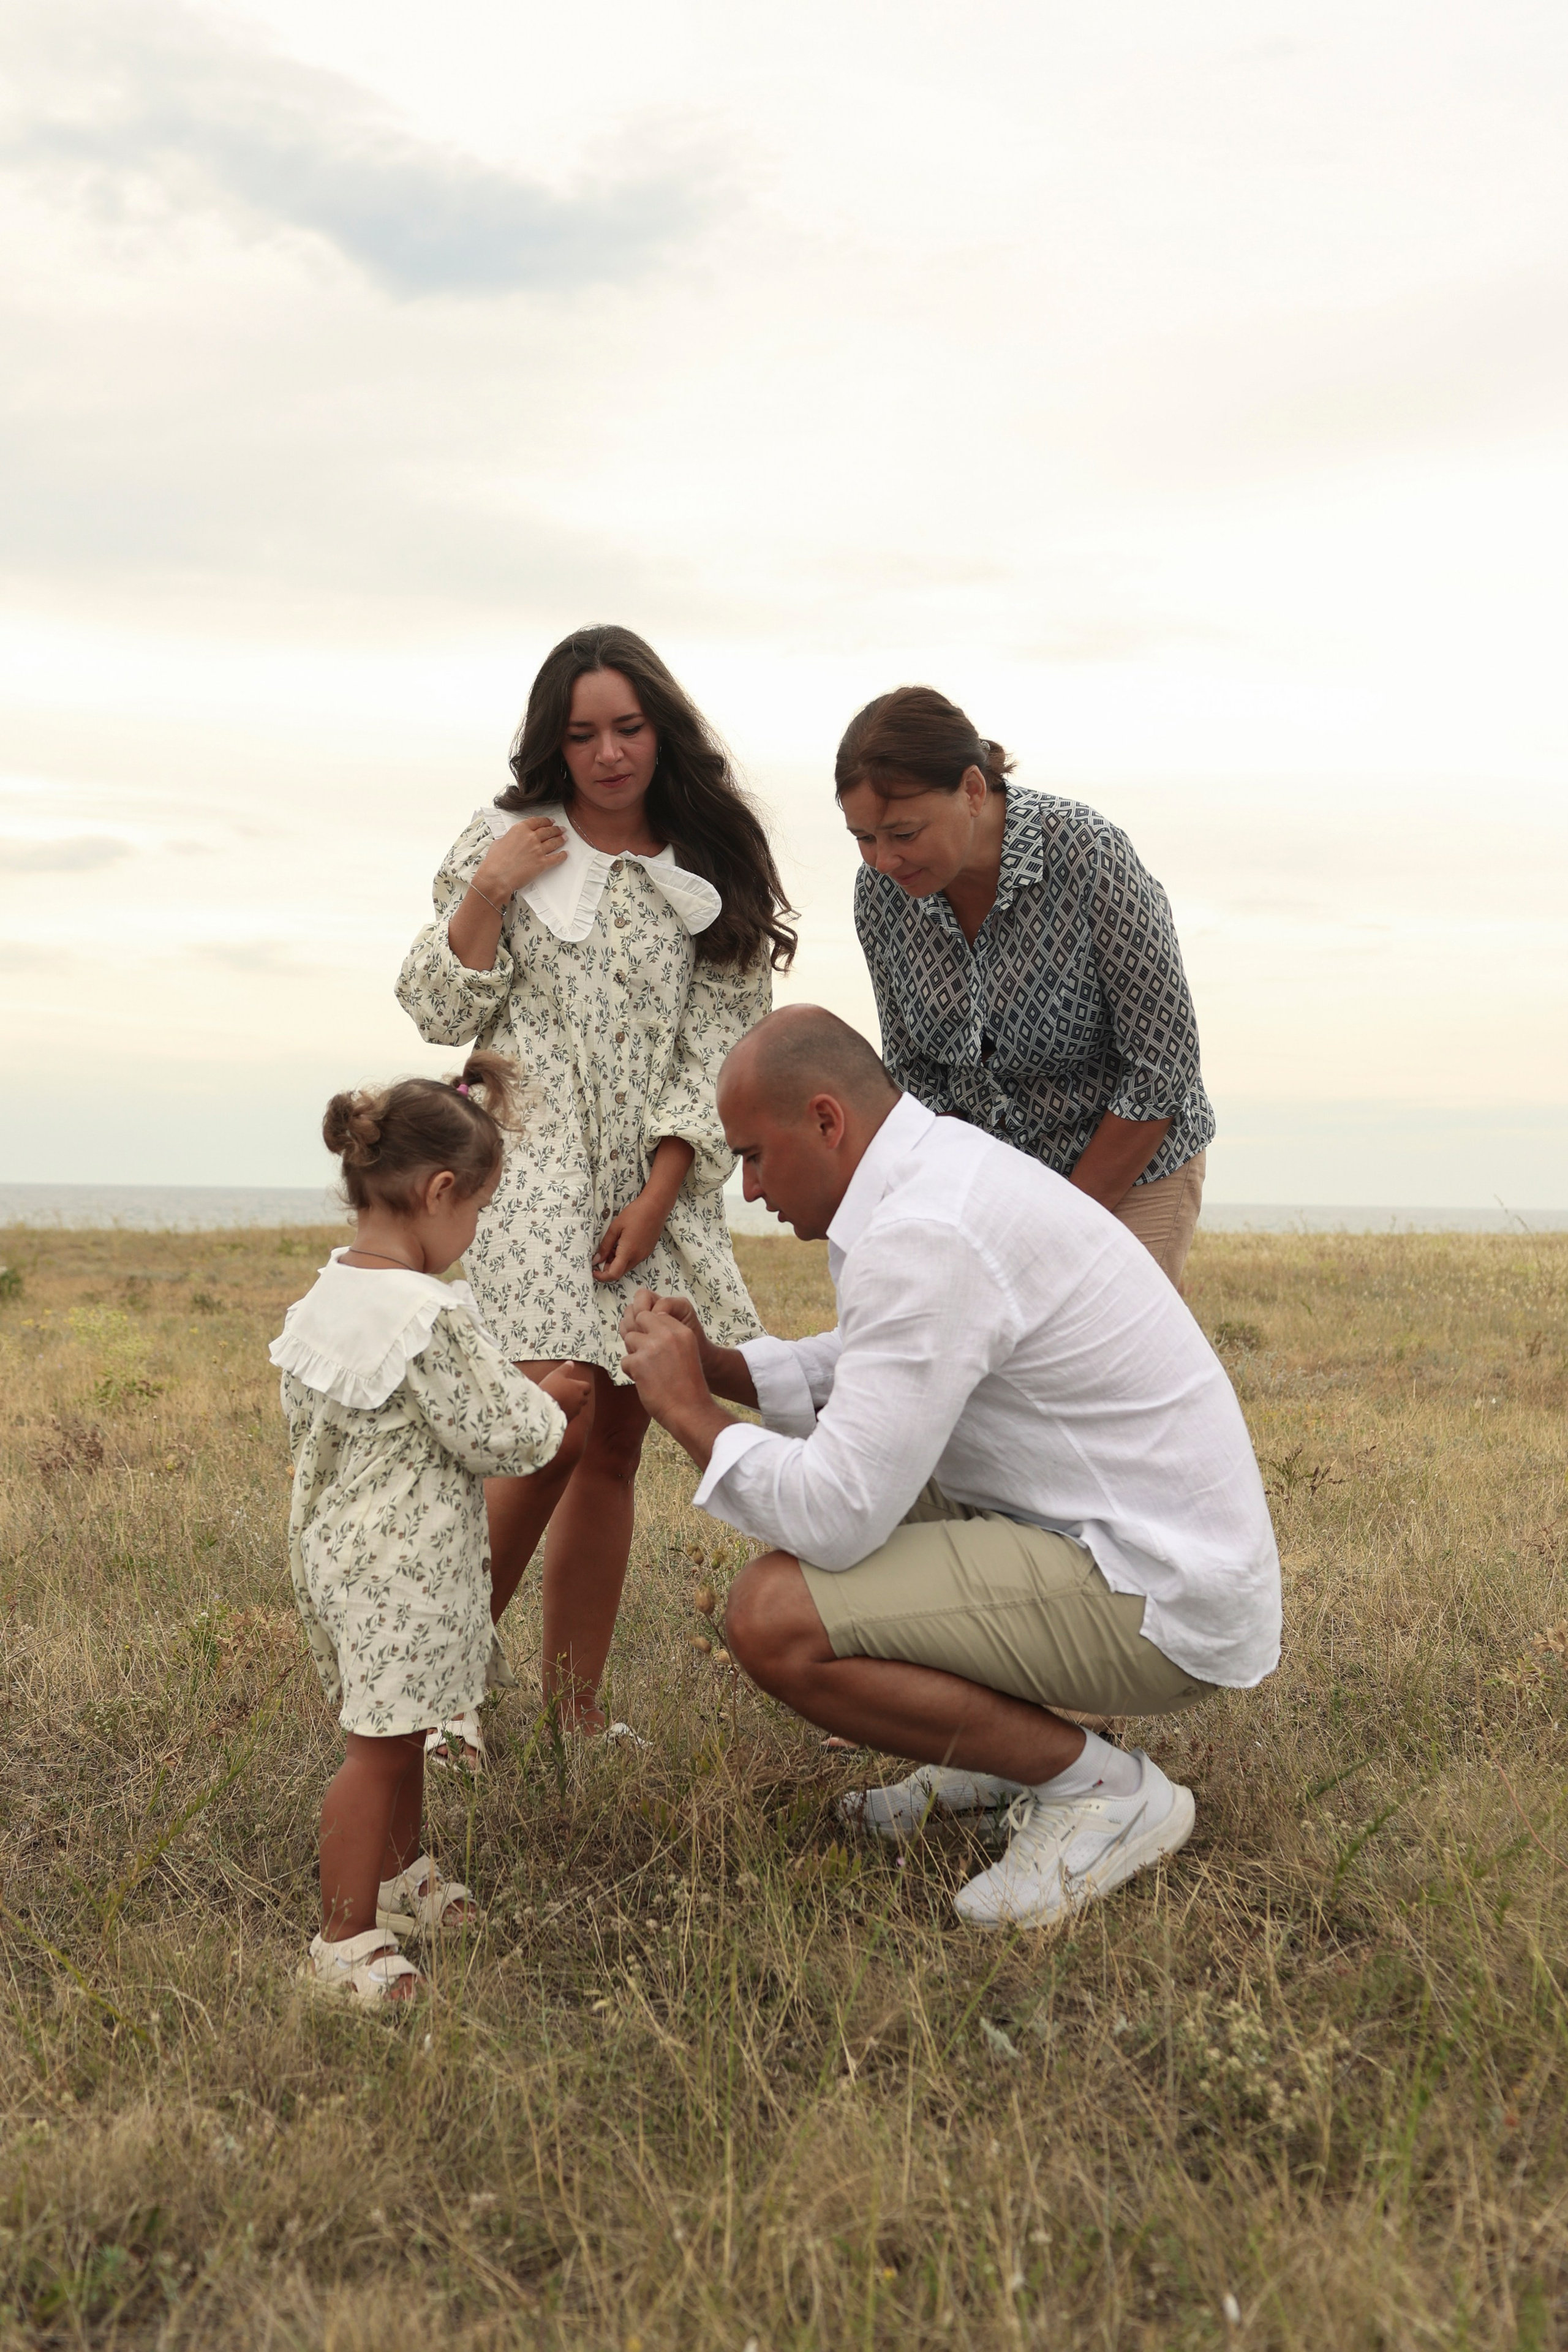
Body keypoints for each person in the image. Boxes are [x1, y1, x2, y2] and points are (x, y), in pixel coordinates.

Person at [619, 1006, 1280, 1932]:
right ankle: (1006, 1754)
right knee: (886, 1472)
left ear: (826, 1121)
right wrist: (723, 1370)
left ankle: (1103, 1791)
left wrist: (687, 1411)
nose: (752, 1191)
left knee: (772, 1619)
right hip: (1124, 1542)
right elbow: (882, 1369)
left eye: (754, 1158)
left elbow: (836, 1515)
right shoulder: (936, 1175)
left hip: (1159, 1594)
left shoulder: (928, 1228)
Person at [396, 625, 794, 1747]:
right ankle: (434, 1699)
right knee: (548, 1418)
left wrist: (664, 1188)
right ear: (552, 745)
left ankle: (576, 1714)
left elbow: (722, 1043)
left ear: (661, 729)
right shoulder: (508, 840)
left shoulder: (707, 866)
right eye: (582, 735)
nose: (609, 754)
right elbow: (438, 1011)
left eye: (628, 727)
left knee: (616, 1442)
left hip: (658, 1172)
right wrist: (489, 886)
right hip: (532, 1154)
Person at [271, 1054, 592, 2003]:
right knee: (375, 1751)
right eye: (479, 1213)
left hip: (336, 1554)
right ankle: (343, 1939)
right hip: (402, 1571)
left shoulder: (330, 1291)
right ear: (442, 1190)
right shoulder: (426, 1316)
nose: (475, 1233)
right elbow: (506, 1435)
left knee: (399, 1727)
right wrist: (555, 1400)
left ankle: (404, 1883)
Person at [839, 685, 1214, 1285]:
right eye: (863, 837)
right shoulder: (880, 895)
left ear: (971, 790)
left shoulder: (1089, 854)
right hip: (990, 1186)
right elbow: (913, 1072)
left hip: (1132, 1167)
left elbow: (1161, 1072)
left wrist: (1058, 1224)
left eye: (903, 834)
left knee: (1097, 1367)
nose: (883, 861)